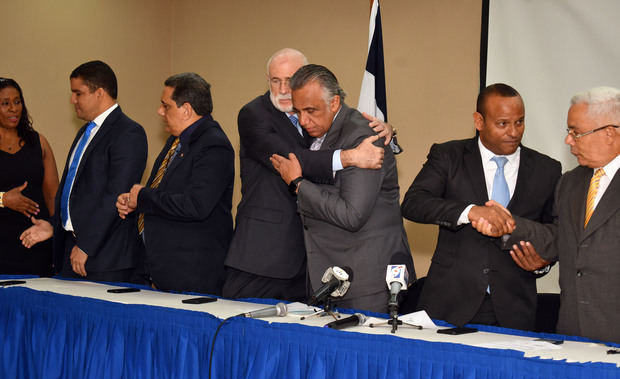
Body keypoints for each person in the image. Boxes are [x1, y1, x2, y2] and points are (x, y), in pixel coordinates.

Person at [223, 48, 393, 302]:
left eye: (290, 81)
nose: (282, 89)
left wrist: (387, 131)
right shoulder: (254, 114)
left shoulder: (313, 115)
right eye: (275, 80)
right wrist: (349, 157)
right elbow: (292, 160)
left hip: (312, 259)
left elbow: (346, 129)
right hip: (263, 254)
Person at [400, 83, 561, 330]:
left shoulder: (546, 169)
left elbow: (555, 230)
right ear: (479, 121)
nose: (514, 132)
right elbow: (414, 203)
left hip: (514, 308)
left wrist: (543, 262)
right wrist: (470, 212)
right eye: (503, 123)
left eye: (520, 122)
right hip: (450, 303)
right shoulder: (449, 155)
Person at [270, 64, 413, 313]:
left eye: (311, 111)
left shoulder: (362, 138)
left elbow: (352, 215)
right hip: (328, 274)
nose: (303, 121)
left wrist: (298, 184)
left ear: (335, 103)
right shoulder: (315, 131)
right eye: (298, 111)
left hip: (364, 281)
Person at [489, 86, 620, 342]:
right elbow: (560, 237)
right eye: (568, 131)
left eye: (576, 132)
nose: (568, 140)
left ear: (609, 134)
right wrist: (510, 225)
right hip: (573, 332)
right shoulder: (570, 183)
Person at [21, 61, 148, 282]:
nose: (72, 100)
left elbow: (115, 195)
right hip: (72, 250)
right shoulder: (85, 131)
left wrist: (86, 245)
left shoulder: (129, 133)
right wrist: (54, 225)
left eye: (78, 93)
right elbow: (76, 191)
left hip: (105, 257)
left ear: (99, 93)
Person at [116, 73, 234, 295]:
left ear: (186, 109)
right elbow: (163, 194)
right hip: (160, 269)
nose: (160, 112)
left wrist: (143, 197)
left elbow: (196, 205)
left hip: (192, 275)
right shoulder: (176, 141)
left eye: (165, 106)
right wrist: (135, 202)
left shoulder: (214, 146)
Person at [0, 78, 58, 276]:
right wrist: (3, 199)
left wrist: (56, 236)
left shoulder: (38, 142)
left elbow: (53, 196)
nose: (13, 109)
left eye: (17, 102)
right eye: (5, 103)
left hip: (36, 243)